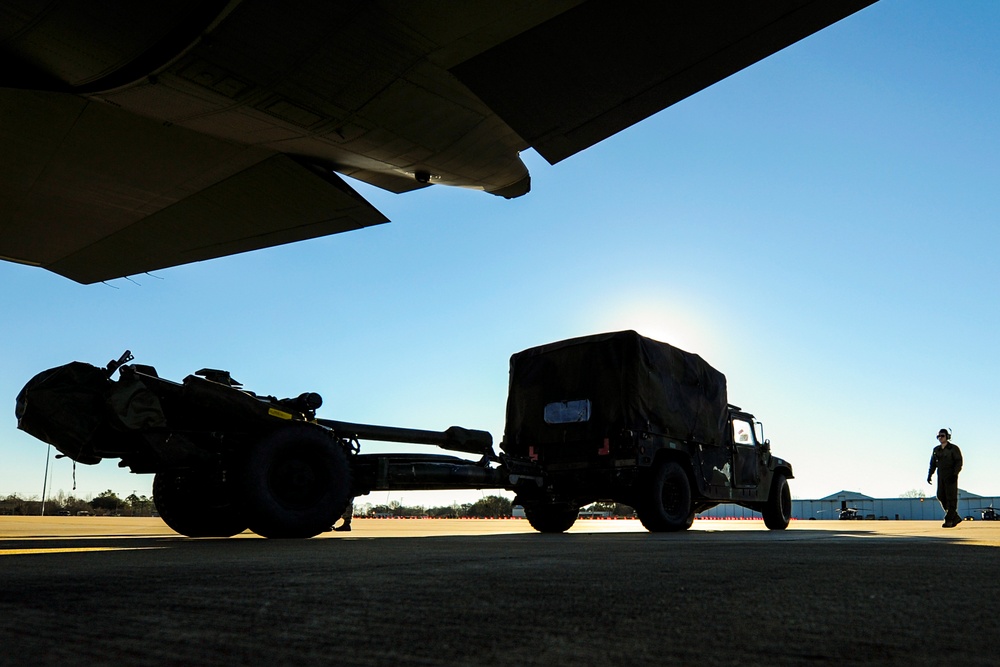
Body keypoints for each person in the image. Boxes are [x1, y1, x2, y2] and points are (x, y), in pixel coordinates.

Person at [927, 428, 963, 528]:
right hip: (941, 475)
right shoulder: (936, 450)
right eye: (938, 436)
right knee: (940, 495)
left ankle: (949, 520)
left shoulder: (953, 448)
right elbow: (932, 463)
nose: (940, 438)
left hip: (951, 475)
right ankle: (954, 516)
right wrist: (930, 475)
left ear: (947, 436)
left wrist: (955, 474)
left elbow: (959, 462)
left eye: (942, 436)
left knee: (951, 498)